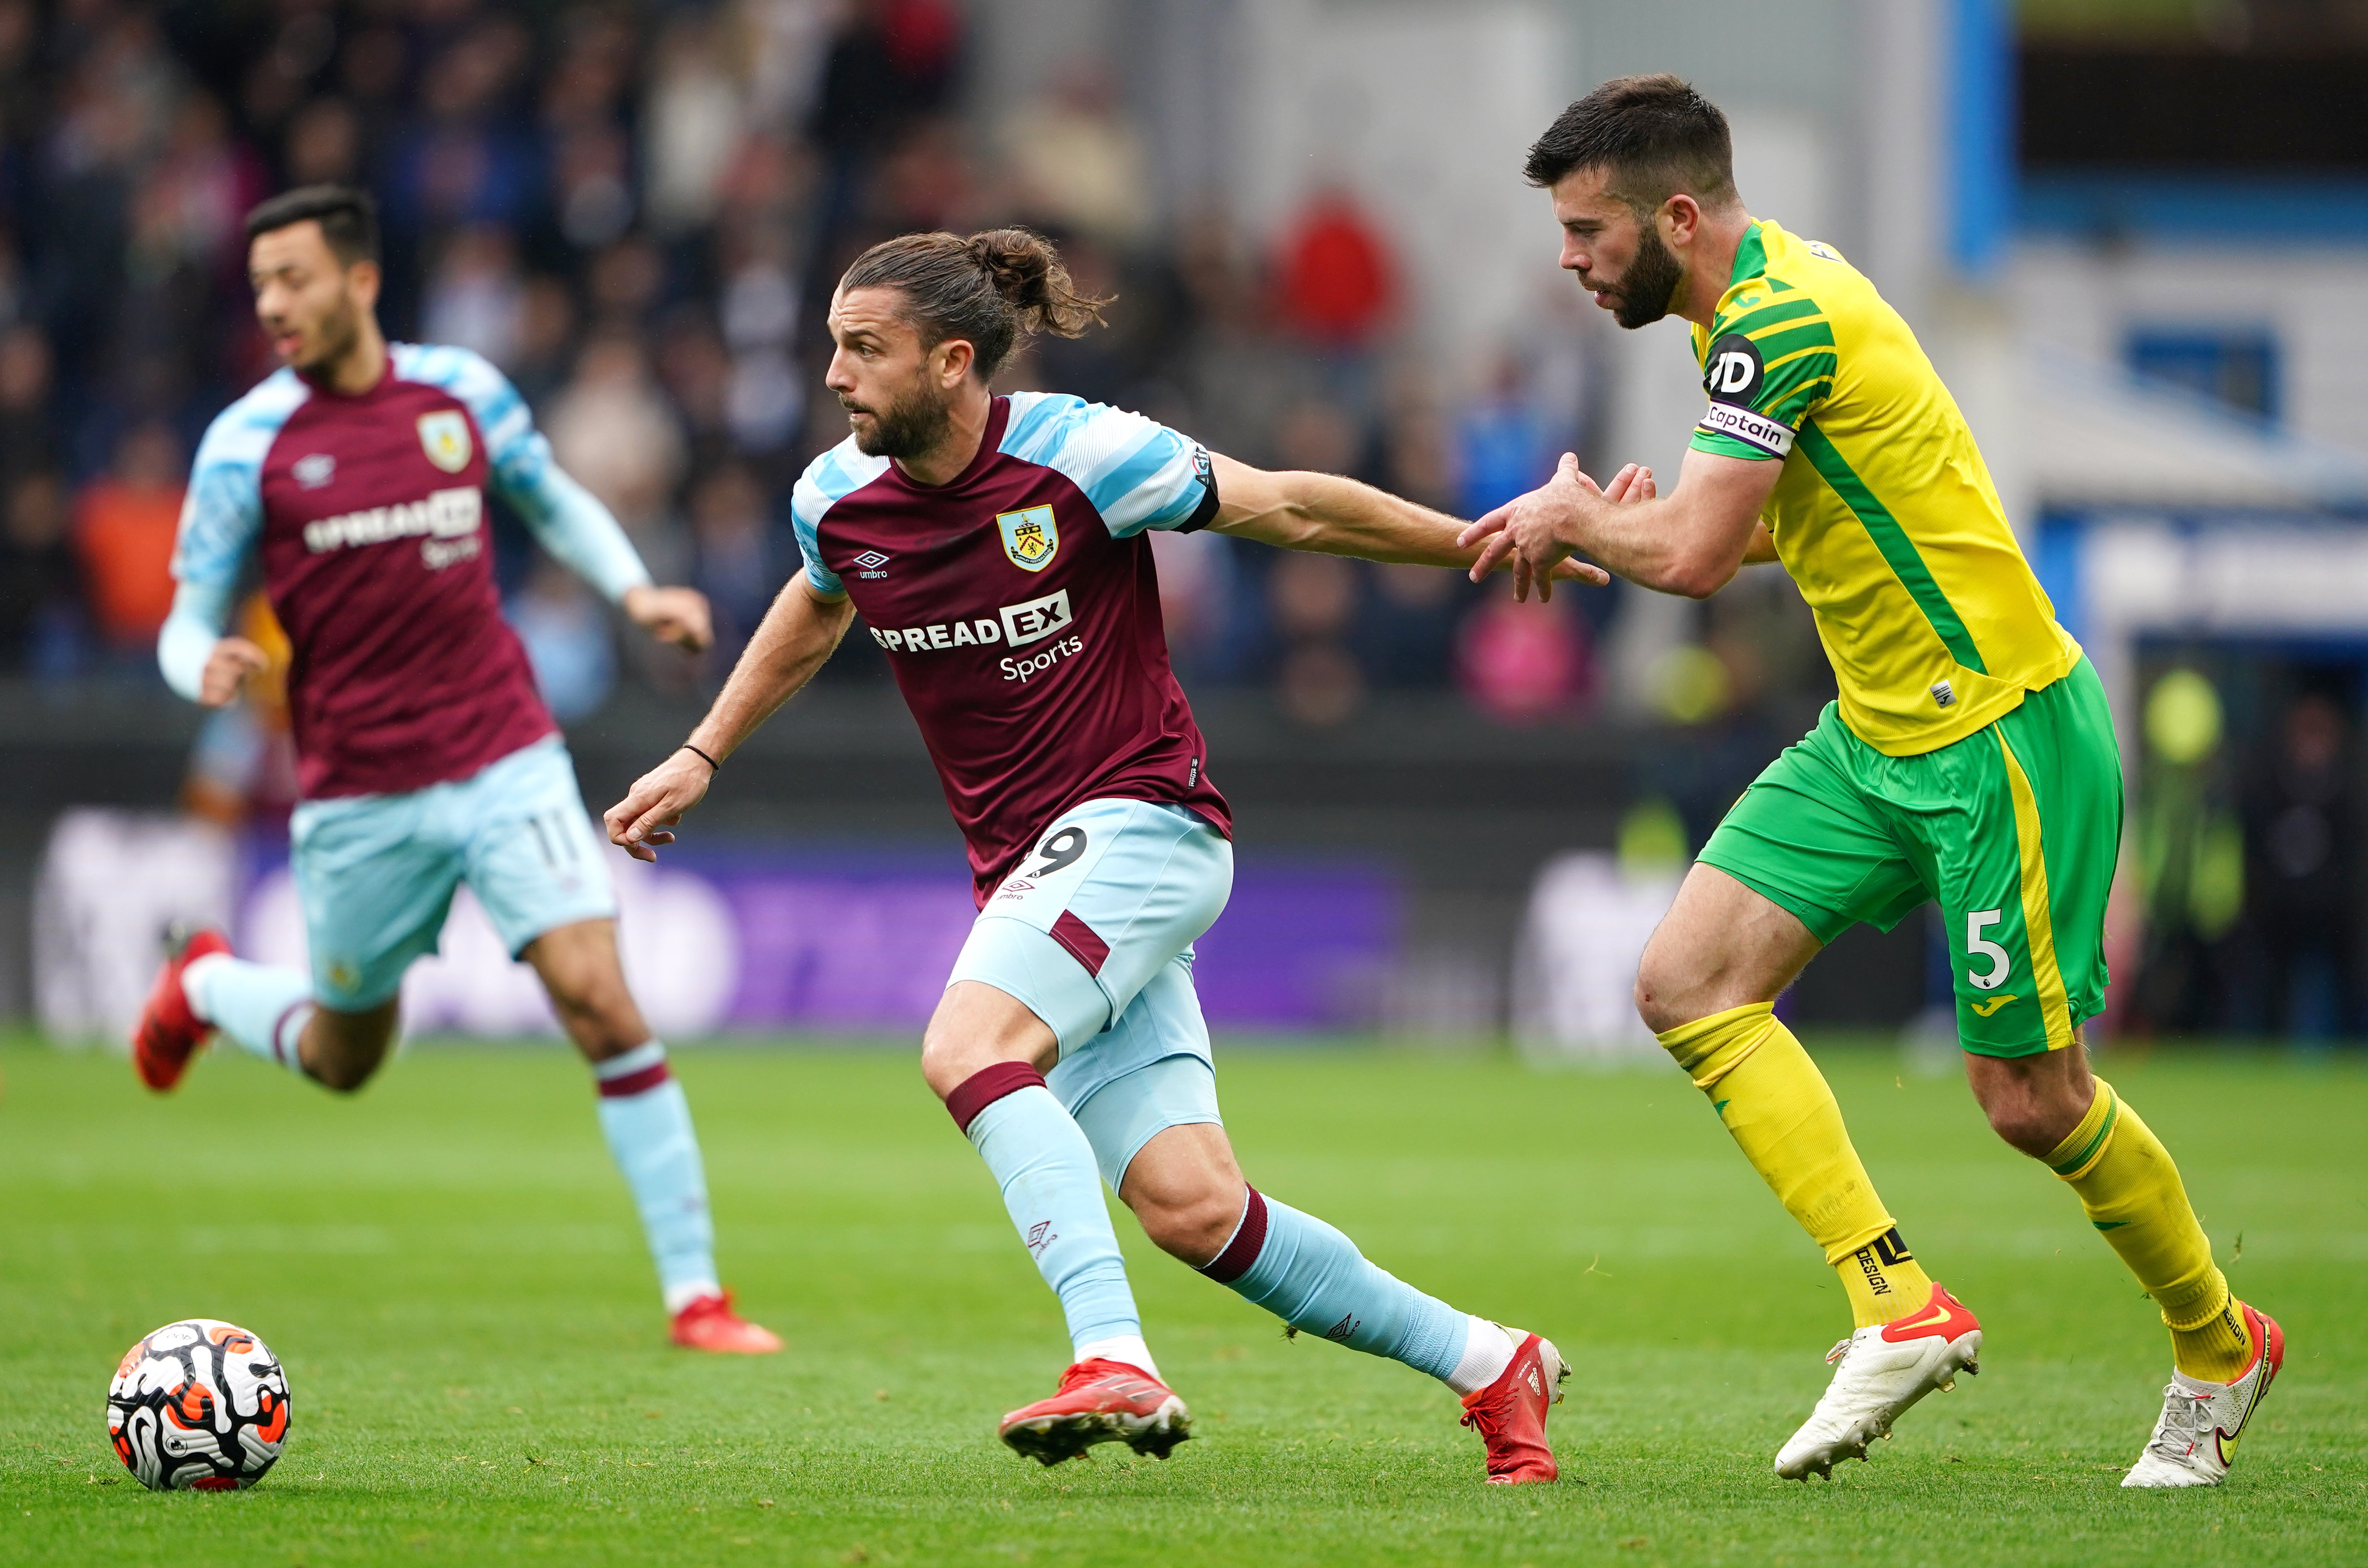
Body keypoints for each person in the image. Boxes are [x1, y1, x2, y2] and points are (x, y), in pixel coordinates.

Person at [604, 228, 1611, 1481]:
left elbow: (1290, 503)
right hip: (1040, 870)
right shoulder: (836, 501)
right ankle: (1488, 1360)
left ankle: (1111, 1357)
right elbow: (818, 603)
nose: (834, 376)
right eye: (832, 347)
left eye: (864, 349)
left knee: (967, 1049)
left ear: (954, 361)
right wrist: (701, 753)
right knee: (1195, 1209)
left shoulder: (1083, 454)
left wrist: (1479, 536)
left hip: (1145, 819)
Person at [1463, 76, 2279, 1489]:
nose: (1571, 260)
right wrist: (1652, 524)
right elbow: (1810, 523)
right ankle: (1896, 1302)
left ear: (1673, 214)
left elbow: (1704, 565)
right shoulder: (1763, 301)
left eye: (1590, 230)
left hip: (1997, 739)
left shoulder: (1775, 320)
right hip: (1877, 736)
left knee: (2029, 1098)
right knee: (1685, 982)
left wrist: (1583, 514)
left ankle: (2220, 1344)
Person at [130, 184, 781, 1356]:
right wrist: (203, 666)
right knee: (344, 1055)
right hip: (360, 790)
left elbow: (552, 500)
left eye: (294, 278)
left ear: (360, 280)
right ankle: (207, 990)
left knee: (599, 995)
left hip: (503, 752)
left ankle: (699, 1298)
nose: (273, 303)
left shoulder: (461, 394)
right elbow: (186, 620)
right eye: (261, 284)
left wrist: (634, 590)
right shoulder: (247, 443)